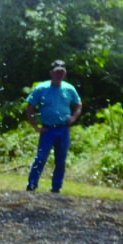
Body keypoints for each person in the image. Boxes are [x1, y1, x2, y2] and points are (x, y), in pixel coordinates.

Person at [23, 61, 82, 193]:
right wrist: (36, 127)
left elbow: (78, 103)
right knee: (40, 158)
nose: (59, 75)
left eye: (61, 72)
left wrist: (73, 117)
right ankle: (31, 185)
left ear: (65, 74)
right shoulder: (41, 88)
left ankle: (56, 188)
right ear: (51, 73)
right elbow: (30, 107)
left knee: (60, 160)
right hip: (47, 129)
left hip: (63, 129)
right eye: (57, 72)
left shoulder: (69, 89)